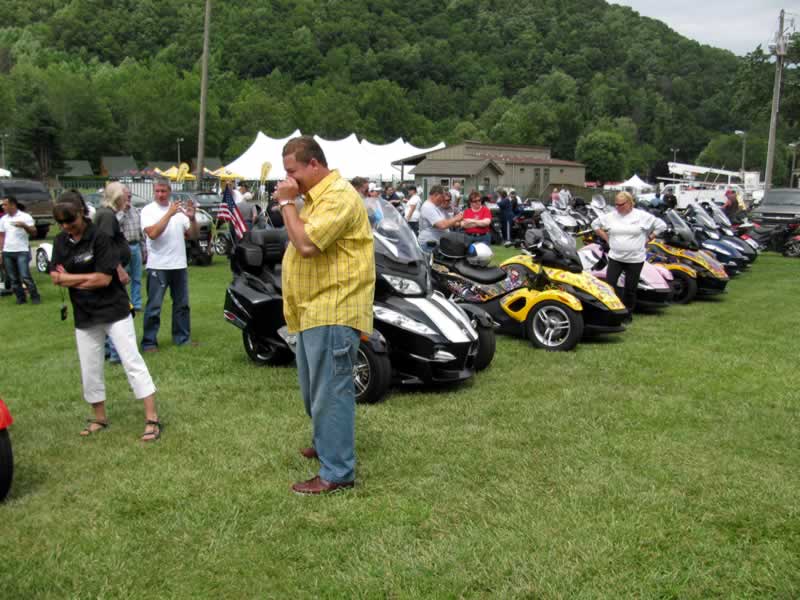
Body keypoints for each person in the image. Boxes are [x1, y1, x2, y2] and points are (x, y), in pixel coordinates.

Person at [275, 136, 375, 495]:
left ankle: (337, 471)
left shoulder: (338, 197)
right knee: (313, 391)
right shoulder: (317, 198)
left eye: (292, 171)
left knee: (331, 392)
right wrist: (294, 201)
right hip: (313, 309)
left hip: (333, 308)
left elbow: (306, 244)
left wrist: (287, 203)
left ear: (313, 165)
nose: (288, 179)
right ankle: (326, 443)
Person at [49, 191, 161, 441]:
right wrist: (81, 279)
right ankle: (99, 417)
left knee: (132, 361)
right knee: (90, 368)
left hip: (114, 310)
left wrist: (70, 278)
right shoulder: (60, 242)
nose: (68, 228)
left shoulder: (99, 237)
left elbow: (103, 279)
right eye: (63, 224)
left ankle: (152, 418)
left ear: (81, 214)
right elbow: (55, 277)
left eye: (72, 222)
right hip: (85, 314)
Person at [140, 176, 199, 352]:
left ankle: (182, 338)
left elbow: (193, 235)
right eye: (157, 191)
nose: (160, 194)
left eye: (163, 191)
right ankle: (149, 342)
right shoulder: (148, 211)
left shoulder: (179, 211)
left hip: (179, 265)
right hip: (158, 265)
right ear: (153, 192)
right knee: (154, 305)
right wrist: (169, 214)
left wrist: (193, 218)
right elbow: (153, 233)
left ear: (169, 191)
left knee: (182, 304)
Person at [591, 191, 666, 317]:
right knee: (610, 285)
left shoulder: (642, 216)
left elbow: (661, 225)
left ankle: (628, 313)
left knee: (630, 289)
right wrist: (606, 238)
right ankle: (612, 311)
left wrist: (650, 237)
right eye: (616, 204)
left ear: (630, 203)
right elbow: (595, 224)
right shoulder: (611, 216)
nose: (618, 207)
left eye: (621, 205)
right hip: (615, 257)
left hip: (635, 259)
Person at [0, 195, 41, 305]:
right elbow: (2, 236)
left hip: (21, 251)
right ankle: (20, 298)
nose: (3, 206)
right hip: (8, 252)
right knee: (13, 278)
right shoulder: (3, 219)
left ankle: (35, 296)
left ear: (13, 205)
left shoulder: (25, 217)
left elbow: (34, 232)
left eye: (5, 204)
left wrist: (24, 226)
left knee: (25, 276)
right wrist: (1, 251)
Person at [119, 186, 144, 311]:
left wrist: (144, 248)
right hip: (123, 248)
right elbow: (115, 225)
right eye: (126, 195)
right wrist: (123, 211)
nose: (129, 197)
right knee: (123, 277)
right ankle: (125, 303)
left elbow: (141, 231)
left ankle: (137, 304)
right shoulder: (117, 212)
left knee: (137, 277)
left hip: (136, 246)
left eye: (130, 195)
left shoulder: (135, 211)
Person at [417, 185, 464, 251]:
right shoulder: (428, 207)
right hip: (429, 244)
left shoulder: (434, 206)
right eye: (442, 197)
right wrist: (456, 218)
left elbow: (446, 221)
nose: (443, 200)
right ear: (436, 195)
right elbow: (442, 225)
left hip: (436, 243)